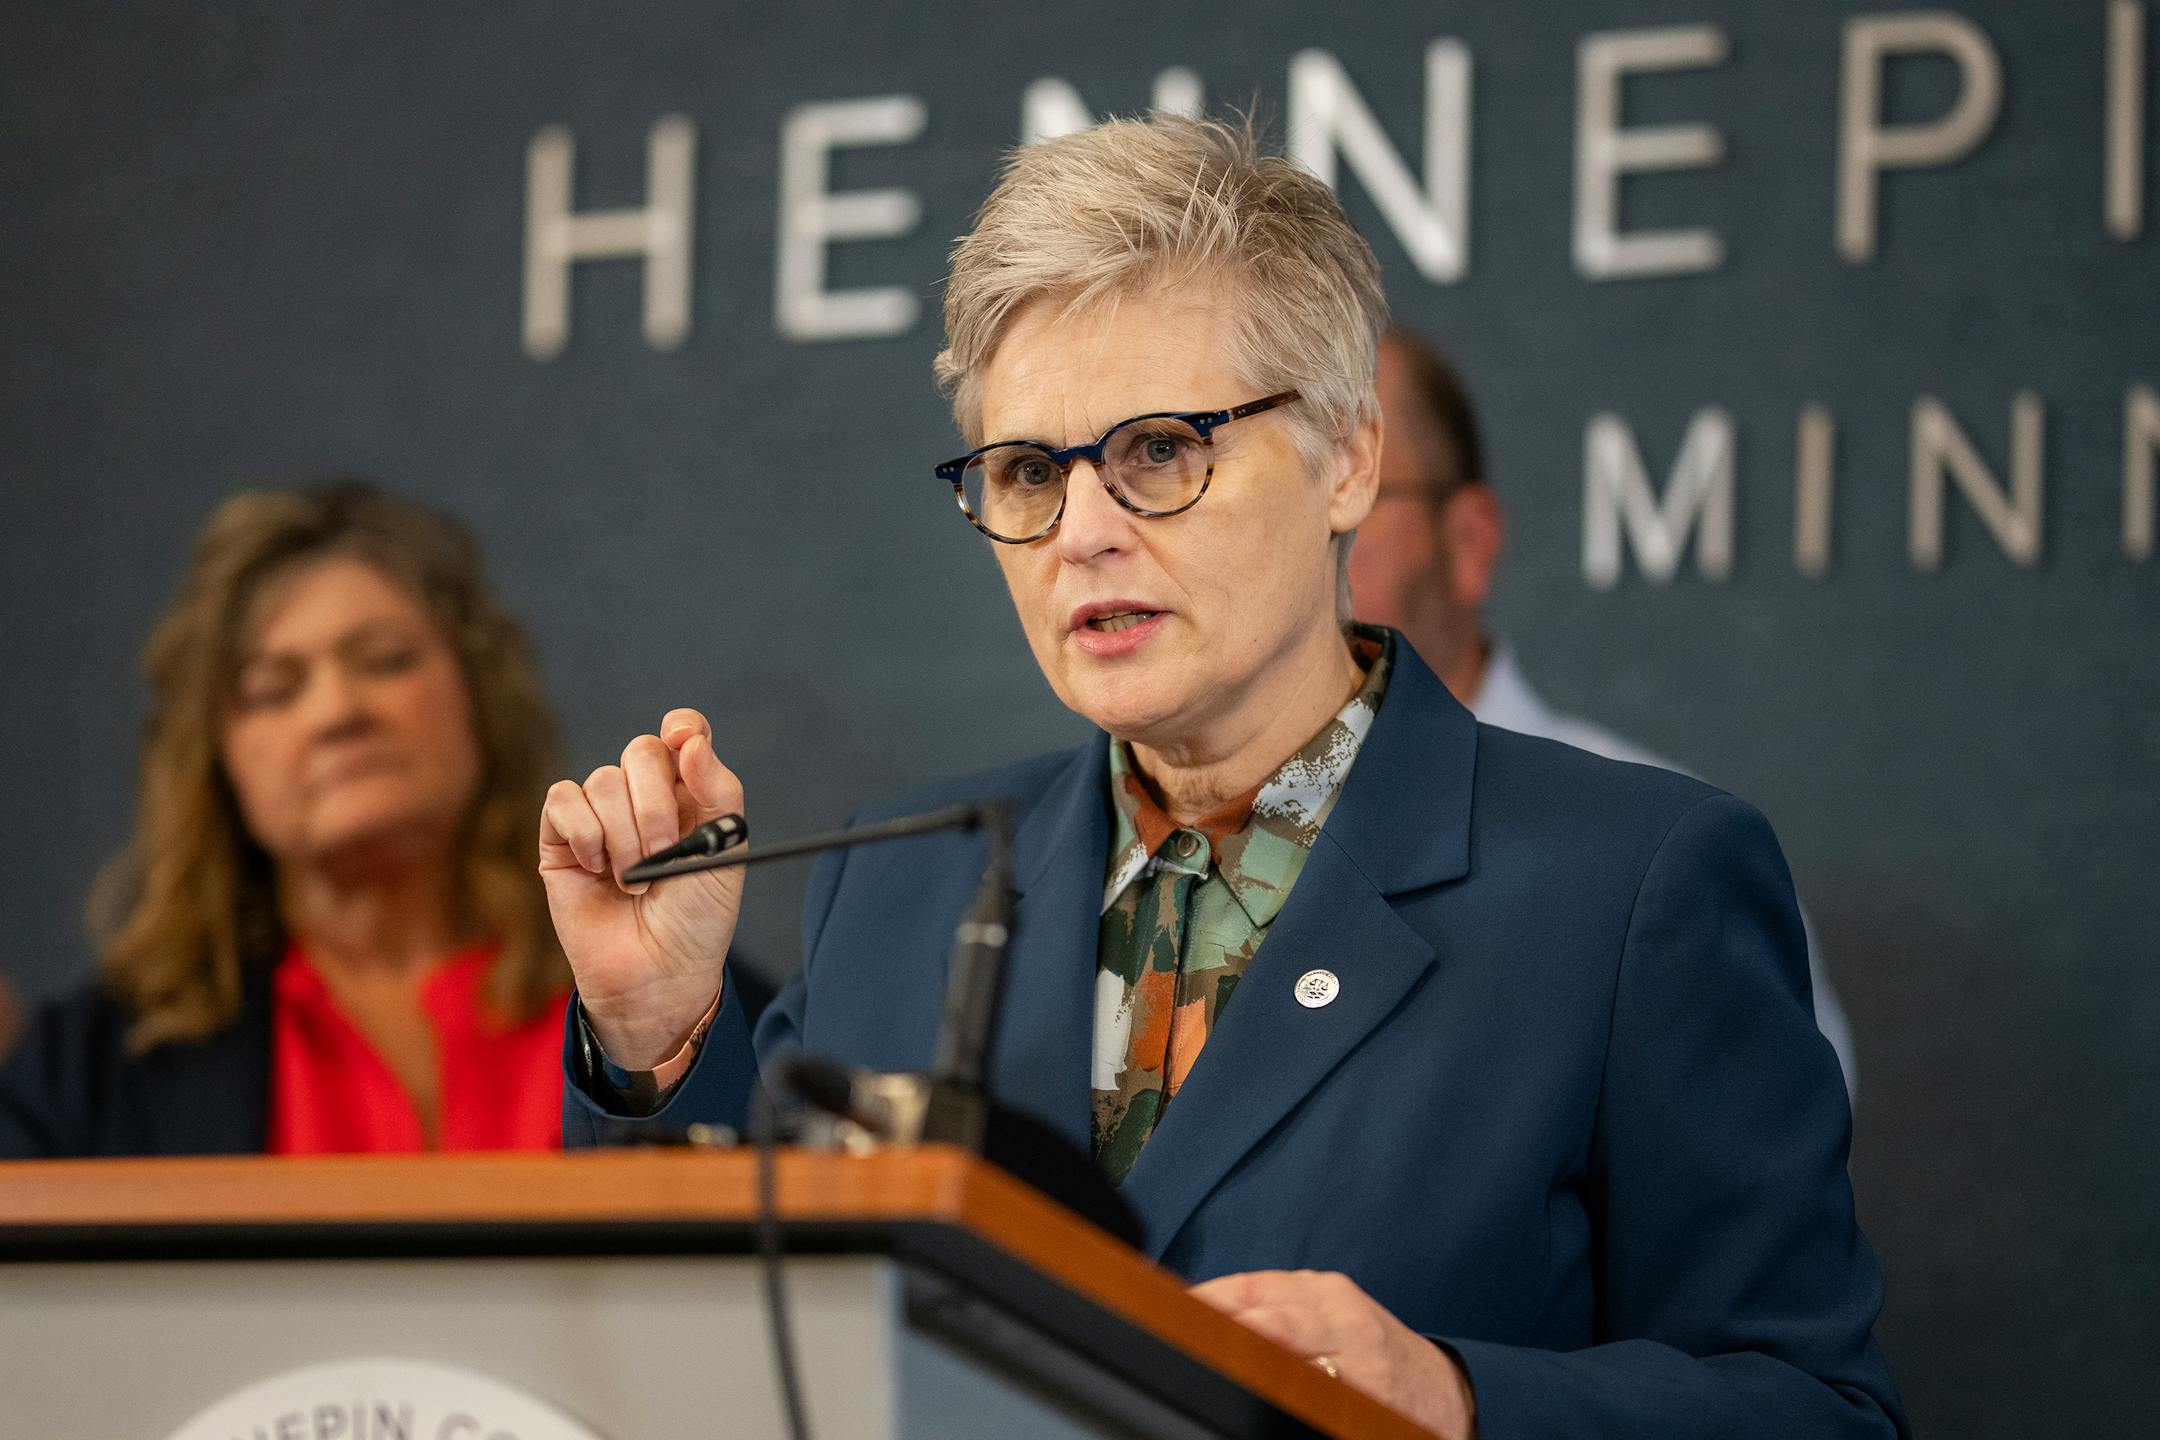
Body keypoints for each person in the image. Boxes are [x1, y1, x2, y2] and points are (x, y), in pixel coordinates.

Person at [545, 117, 1905, 1439]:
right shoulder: (902, 879)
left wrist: (1464, 1403)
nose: (1081, 534)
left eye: (1156, 451)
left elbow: (1814, 1410)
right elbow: (720, 1356)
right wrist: (658, 1047)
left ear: (1348, 457)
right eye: (1027, 471)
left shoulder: (1630, 883)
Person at [0, 481, 572, 1156]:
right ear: (218, 761)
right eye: (272, 690)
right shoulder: (90, 1069)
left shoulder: (663, 1000)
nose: (336, 712)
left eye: (385, 661)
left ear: (478, 696)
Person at [1350, 330, 1857, 1092]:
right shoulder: (1184, 848)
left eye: (1351, 492)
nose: (1298, 547)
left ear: (1467, 543)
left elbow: (1756, 1184)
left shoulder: (1656, 852)